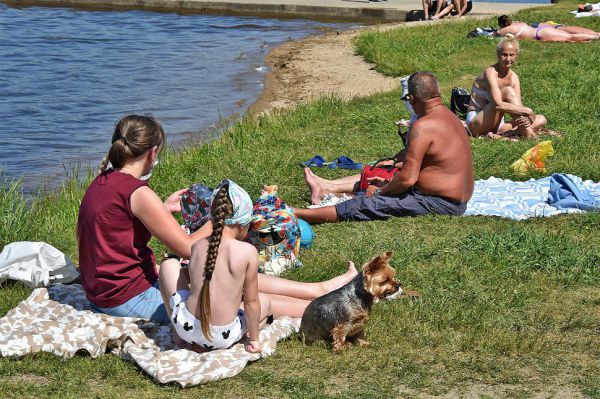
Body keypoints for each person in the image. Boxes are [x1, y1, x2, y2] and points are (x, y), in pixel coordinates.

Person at [77, 115, 357, 324]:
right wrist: (217, 220)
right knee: (229, 300)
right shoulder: (138, 192)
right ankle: (322, 309)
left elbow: (114, 227)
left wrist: (161, 208)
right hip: (128, 297)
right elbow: (188, 248)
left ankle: (317, 289)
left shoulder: (102, 181)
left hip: (104, 290)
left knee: (226, 276)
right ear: (152, 153)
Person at [294, 72, 474, 224]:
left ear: (412, 99)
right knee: (379, 182)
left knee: (365, 204)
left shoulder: (423, 125)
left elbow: (407, 179)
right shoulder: (451, 118)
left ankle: (295, 214)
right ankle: (326, 191)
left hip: (439, 203)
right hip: (455, 200)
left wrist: (381, 192)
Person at [466, 37, 547, 139]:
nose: (508, 59)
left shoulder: (514, 77)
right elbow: (497, 105)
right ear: (498, 55)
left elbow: (517, 107)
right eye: (504, 55)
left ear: (516, 56)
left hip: (498, 123)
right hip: (477, 122)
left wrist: (525, 118)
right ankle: (528, 134)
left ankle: (504, 134)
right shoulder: (490, 72)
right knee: (507, 91)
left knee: (541, 119)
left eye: (511, 55)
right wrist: (528, 111)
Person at [497, 15, 598, 42]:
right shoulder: (518, 23)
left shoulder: (506, 29)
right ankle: (596, 35)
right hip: (542, 30)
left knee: (570, 37)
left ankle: (596, 37)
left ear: (501, 25)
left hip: (541, 34)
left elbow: (494, 34)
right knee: (567, 34)